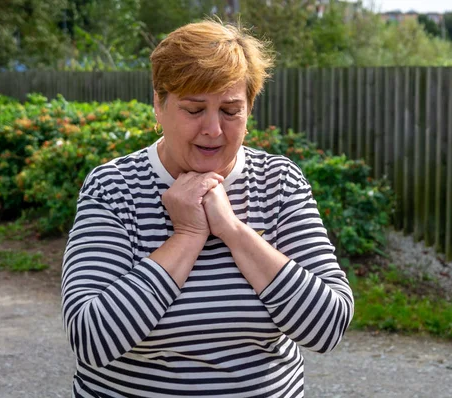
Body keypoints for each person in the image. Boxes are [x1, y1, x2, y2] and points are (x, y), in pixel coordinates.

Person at [61, 19, 354, 398]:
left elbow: (328, 326)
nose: (213, 129)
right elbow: (91, 339)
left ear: (249, 109)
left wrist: (232, 230)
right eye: (194, 109)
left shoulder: (279, 182)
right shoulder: (114, 187)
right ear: (159, 105)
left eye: (230, 111)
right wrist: (187, 235)